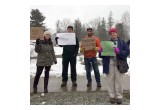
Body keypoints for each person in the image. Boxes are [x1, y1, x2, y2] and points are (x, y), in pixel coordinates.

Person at [100, 28, 130, 104]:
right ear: (110, 35)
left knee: (119, 81)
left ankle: (119, 96)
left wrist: (119, 52)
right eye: (111, 33)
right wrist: (100, 51)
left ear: (117, 33)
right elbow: (102, 56)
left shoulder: (122, 42)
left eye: (114, 32)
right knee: (110, 80)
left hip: (119, 64)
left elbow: (127, 52)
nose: (113, 34)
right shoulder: (107, 43)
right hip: (109, 63)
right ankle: (112, 96)